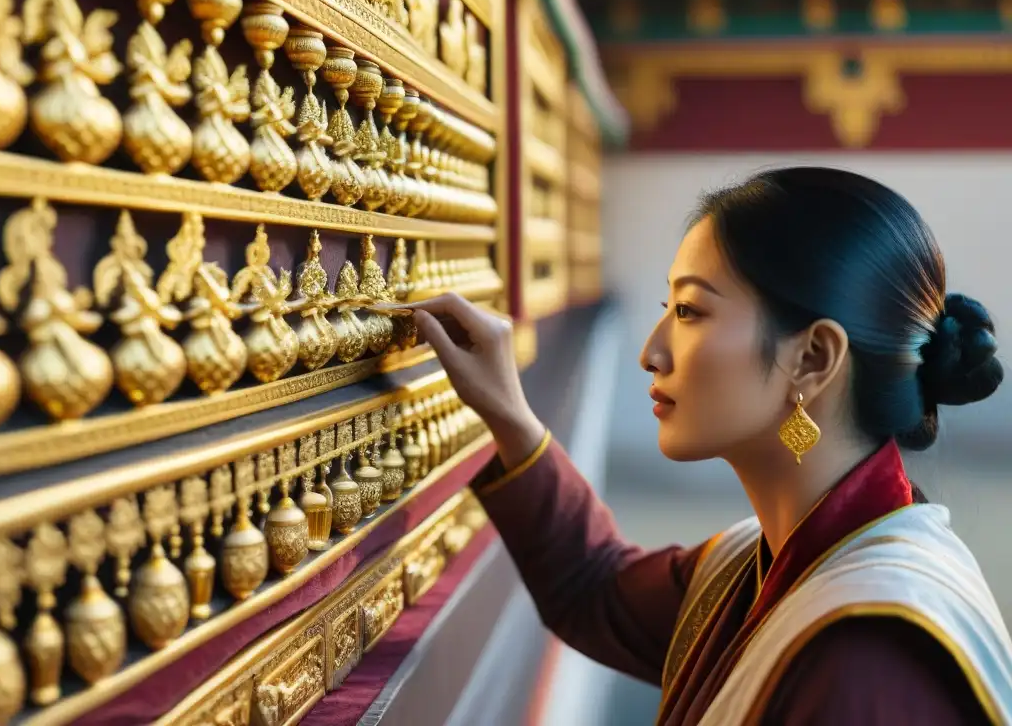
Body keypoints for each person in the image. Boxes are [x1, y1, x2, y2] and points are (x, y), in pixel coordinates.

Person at [402, 167, 1012, 725]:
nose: (651, 353)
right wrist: (508, 414)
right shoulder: (771, 559)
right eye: (670, 307)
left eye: (690, 311)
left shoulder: (867, 659)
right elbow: (596, 591)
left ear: (813, 357)